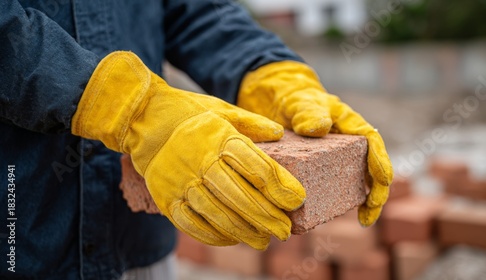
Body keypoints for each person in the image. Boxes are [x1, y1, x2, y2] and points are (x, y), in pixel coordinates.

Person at [0, 1, 393, 279]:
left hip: (137, 245)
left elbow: (195, 11)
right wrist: (129, 109)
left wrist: (267, 71)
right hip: (22, 241)